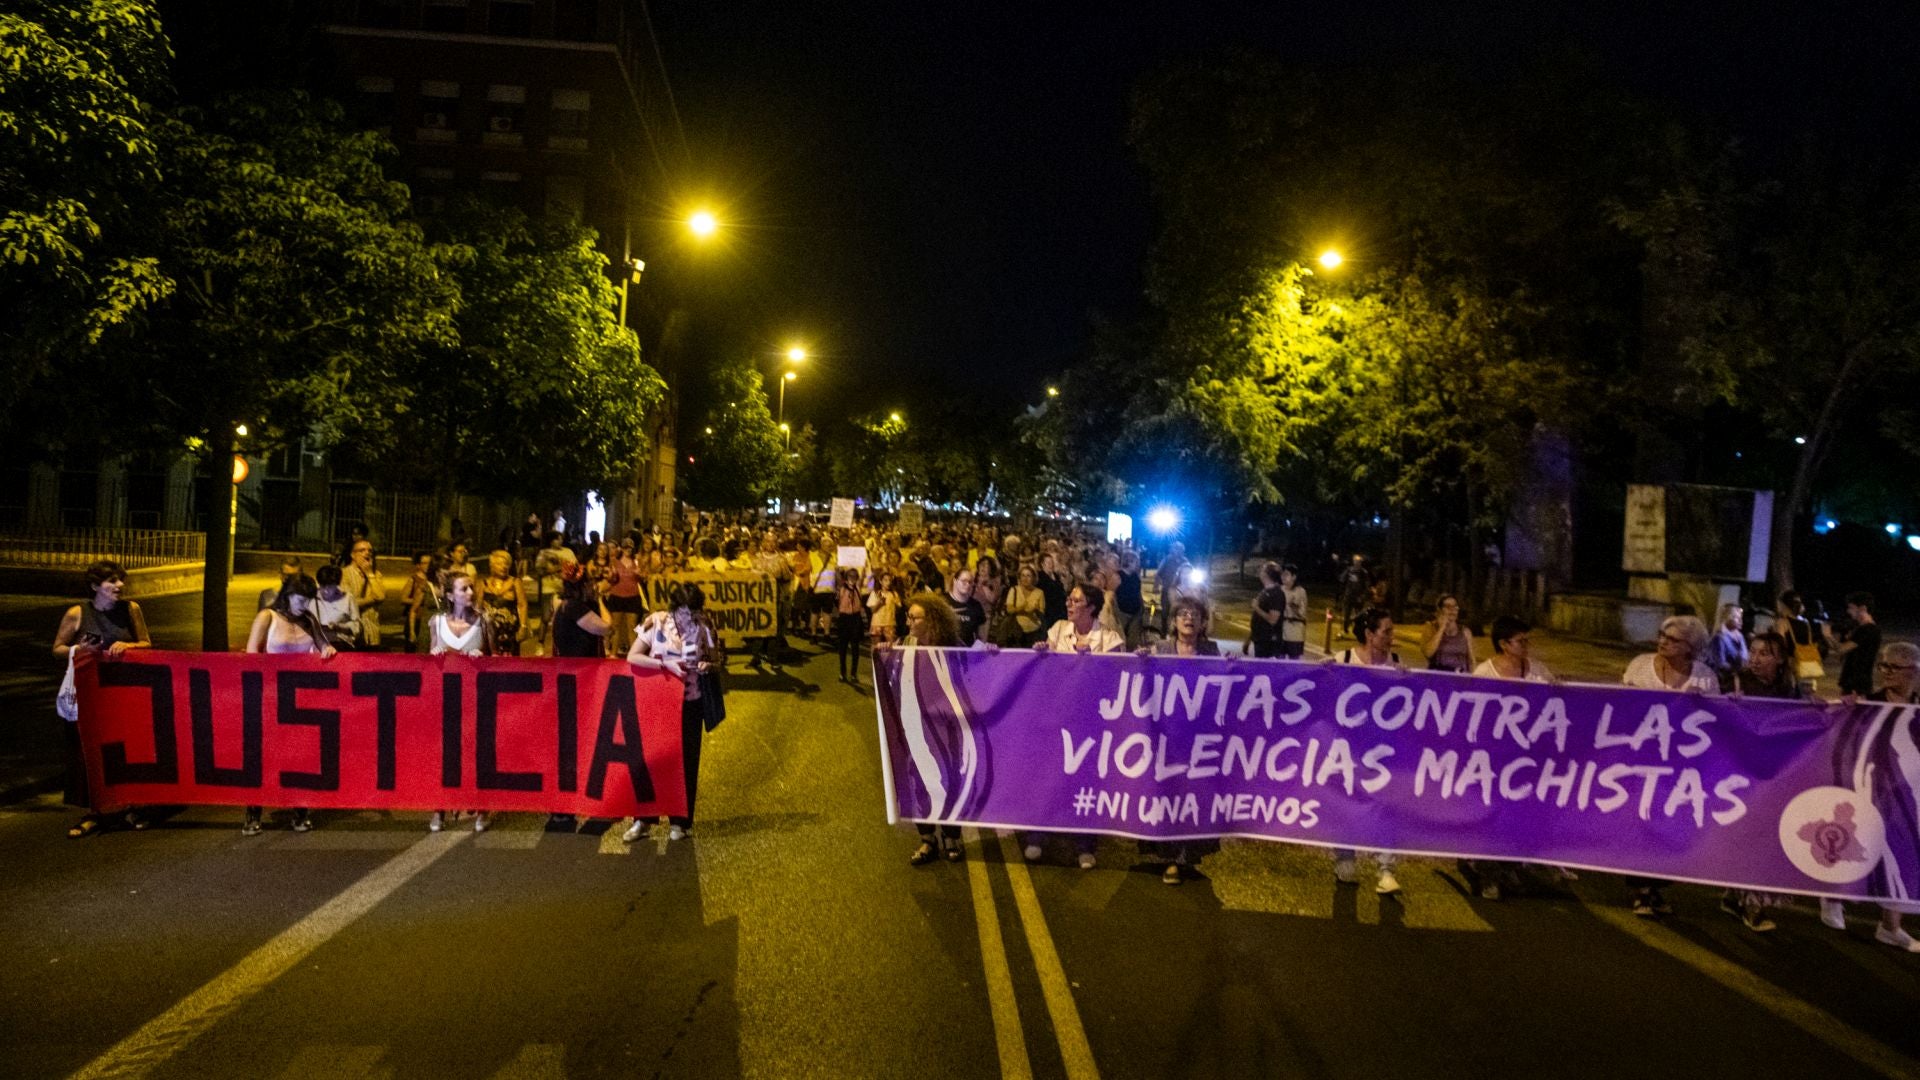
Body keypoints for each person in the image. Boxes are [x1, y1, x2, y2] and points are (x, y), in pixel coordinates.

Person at [1820, 641, 1920, 951]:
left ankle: (1890, 927)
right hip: (1868, 788)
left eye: (1895, 667)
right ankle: (1833, 897)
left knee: (1906, 856)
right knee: (1850, 842)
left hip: (1908, 792)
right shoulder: (1867, 705)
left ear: (1914, 672)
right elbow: (1834, 729)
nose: (1887, 672)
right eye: (1884, 666)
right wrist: (1841, 708)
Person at [1619, 614, 1717, 915]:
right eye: (1662, 634)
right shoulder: (1639, 665)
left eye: (1672, 639)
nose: (1663, 641)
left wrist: (1706, 704)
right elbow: (1617, 706)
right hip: (1642, 761)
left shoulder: (1704, 677)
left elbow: (1716, 721)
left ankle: (1658, 887)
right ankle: (1641, 890)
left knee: (1670, 826)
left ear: (1691, 647)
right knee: (1642, 823)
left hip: (1681, 767)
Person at [52, 560, 152, 838]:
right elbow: (57, 648)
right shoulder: (77, 613)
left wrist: (129, 645)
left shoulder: (130, 610)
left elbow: (146, 642)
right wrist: (78, 649)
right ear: (96, 587)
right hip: (90, 696)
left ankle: (130, 806)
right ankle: (95, 812)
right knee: (88, 753)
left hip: (122, 694)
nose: (120, 586)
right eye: (112, 582)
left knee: (124, 750)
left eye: (121, 581)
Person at [1031, 585, 1126, 868]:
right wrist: (1038, 654)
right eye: (1069, 599)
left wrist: (1095, 660)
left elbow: (1120, 676)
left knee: (1087, 783)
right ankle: (1038, 834)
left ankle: (1085, 844)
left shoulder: (1109, 638)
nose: (1069, 604)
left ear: (1092, 607)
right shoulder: (1058, 631)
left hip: (1091, 722)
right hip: (1057, 718)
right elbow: (1045, 672)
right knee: (1049, 777)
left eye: (1076, 600)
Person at [624, 585, 719, 843]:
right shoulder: (655, 622)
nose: (687, 619)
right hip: (657, 703)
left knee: (686, 763)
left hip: (690, 703)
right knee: (649, 761)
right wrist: (662, 663)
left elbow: (717, 659)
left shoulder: (705, 626)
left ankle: (680, 822)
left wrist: (707, 665)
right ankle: (642, 820)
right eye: (683, 613)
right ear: (674, 608)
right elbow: (633, 656)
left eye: (693, 613)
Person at [242, 574, 332, 835]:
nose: (304, 605)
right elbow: (251, 656)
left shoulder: (309, 620)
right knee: (262, 757)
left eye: (308, 600)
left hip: (300, 700)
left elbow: (324, 647)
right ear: (288, 595)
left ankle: (300, 809)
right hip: (269, 698)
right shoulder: (267, 617)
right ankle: (253, 811)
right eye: (300, 600)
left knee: (299, 756)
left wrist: (327, 651)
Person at [1142, 596, 1222, 884]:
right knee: (1168, 794)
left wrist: (1234, 668)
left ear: (1202, 623)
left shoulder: (1212, 652)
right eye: (1183, 614)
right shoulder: (1160, 649)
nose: (1189, 618)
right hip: (1167, 736)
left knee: (1194, 796)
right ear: (1174, 621)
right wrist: (1140, 661)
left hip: (1201, 738)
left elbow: (1226, 688)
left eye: (1195, 614)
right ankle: (1171, 857)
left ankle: (1186, 855)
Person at [1328, 607, 1402, 894]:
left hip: (1383, 751)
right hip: (1347, 749)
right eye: (1387, 631)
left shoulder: (1395, 662)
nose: (1391, 637)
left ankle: (1386, 868)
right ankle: (1345, 857)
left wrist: (1407, 680)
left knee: (1384, 806)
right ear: (1370, 634)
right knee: (1346, 802)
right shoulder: (1343, 659)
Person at [428, 572, 497, 834]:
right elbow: (429, 661)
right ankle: (439, 808)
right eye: (463, 589)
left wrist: (484, 657)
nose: (470, 592)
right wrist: (434, 655)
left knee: (477, 755)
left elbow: (497, 656)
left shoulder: (483, 621)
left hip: (477, 700)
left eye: (471, 588)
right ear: (449, 596)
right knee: (445, 756)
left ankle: (482, 808)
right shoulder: (436, 622)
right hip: (446, 699)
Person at [1473, 615, 1552, 682]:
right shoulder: (1484, 674)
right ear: (1503, 644)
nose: (1526, 645)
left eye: (1526, 640)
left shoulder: (1537, 670)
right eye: (1520, 641)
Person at [1832, 591, 1881, 698]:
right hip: (1854, 682)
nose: (1848, 611)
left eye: (1851, 607)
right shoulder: (1861, 628)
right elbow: (1842, 655)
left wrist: (1827, 635)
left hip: (1857, 685)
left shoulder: (1868, 629)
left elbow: (1841, 649)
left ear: (1863, 608)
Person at [480, 549, 528, 657]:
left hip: (509, 629)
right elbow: (478, 607)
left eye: (506, 563)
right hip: (490, 629)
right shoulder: (484, 583)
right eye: (499, 563)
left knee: (510, 660)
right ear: (492, 566)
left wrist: (523, 626)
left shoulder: (515, 582)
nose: (504, 566)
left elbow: (522, 604)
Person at [341, 538, 387, 648]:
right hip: (352, 634)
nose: (367, 553)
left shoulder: (376, 574)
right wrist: (372, 599)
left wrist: (369, 574)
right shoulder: (344, 574)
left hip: (372, 631)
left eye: (370, 551)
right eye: (362, 550)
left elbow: (381, 596)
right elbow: (348, 604)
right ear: (353, 555)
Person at [1776, 590, 1826, 690]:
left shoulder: (1782, 622)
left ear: (1783, 605)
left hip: (1790, 665)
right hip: (1805, 664)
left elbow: (1779, 643)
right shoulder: (1805, 623)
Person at [602, 541, 645, 656]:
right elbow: (609, 579)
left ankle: (634, 654)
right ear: (622, 548)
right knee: (615, 626)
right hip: (617, 596)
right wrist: (612, 574)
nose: (628, 550)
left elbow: (644, 578)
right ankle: (613, 653)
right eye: (626, 547)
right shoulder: (614, 562)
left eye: (630, 548)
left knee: (632, 627)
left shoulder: (637, 561)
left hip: (633, 596)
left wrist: (640, 574)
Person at [1421, 594, 1476, 673]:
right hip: (1438, 675)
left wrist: (1473, 679)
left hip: (1460, 676)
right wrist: (1441, 628)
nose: (1452, 610)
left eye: (1455, 607)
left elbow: (1471, 660)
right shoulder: (1430, 627)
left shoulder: (1465, 631)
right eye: (1448, 607)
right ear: (1440, 610)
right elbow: (1428, 653)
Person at [312, 564, 361, 651]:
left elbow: (357, 627)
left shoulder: (347, 598)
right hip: (316, 644)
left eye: (330, 586)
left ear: (337, 584)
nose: (326, 590)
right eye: (323, 586)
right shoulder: (311, 598)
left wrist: (339, 626)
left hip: (340, 643)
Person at [1703, 603, 1748, 691]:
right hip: (1724, 684)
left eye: (1740, 617)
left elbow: (1745, 657)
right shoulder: (1719, 638)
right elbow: (1720, 663)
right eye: (1736, 617)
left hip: (1740, 682)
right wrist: (1737, 670)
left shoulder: (1740, 637)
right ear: (1726, 617)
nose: (1740, 621)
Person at [833, 569, 867, 684]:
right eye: (850, 577)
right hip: (844, 618)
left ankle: (853, 673)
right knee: (842, 648)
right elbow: (837, 601)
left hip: (855, 619)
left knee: (855, 648)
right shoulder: (842, 589)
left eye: (854, 577)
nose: (852, 579)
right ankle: (842, 672)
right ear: (846, 578)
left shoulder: (858, 589)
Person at [1004, 564, 1047, 647]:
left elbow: (1042, 613)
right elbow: (1009, 609)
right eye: (1023, 575)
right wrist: (1022, 608)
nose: (1025, 578)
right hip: (1016, 631)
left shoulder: (1039, 592)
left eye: (1028, 576)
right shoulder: (1014, 590)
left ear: (1033, 578)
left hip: (1034, 632)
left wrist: (1034, 610)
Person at [946, 568, 986, 646]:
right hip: (945, 651)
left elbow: (981, 636)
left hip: (967, 652)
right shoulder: (942, 601)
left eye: (970, 582)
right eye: (964, 581)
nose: (967, 585)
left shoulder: (976, 605)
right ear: (955, 581)